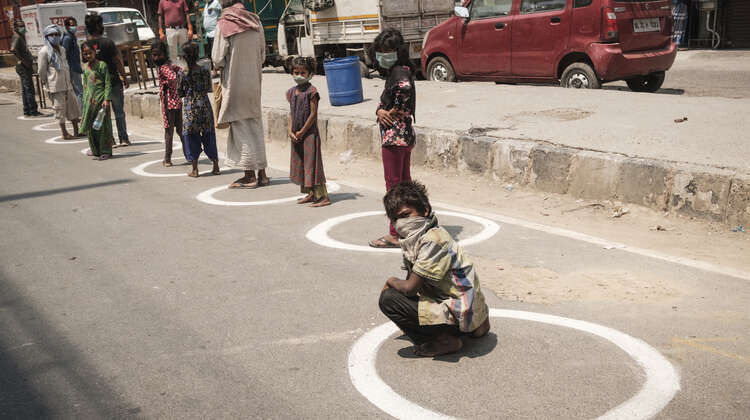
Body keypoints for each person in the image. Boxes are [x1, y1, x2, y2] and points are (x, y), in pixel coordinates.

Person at [378, 181, 491, 357]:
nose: (401, 224)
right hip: (471, 307)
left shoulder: (432, 240)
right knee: (404, 293)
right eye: (395, 220)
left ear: (425, 210)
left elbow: (410, 288)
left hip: (460, 308)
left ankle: (446, 340)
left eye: (406, 215)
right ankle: (474, 325)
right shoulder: (421, 236)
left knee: (389, 299)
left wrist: (391, 281)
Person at [368, 29, 417, 248]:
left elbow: (404, 91)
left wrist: (393, 110)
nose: (383, 55)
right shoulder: (401, 70)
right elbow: (385, 101)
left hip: (394, 137)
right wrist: (380, 110)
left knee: (394, 188)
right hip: (405, 136)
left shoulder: (399, 73)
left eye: (387, 51)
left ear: (398, 51)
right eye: (381, 51)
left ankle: (395, 234)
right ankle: (411, 227)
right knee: (404, 185)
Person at [212, 0, 269, 189]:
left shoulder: (224, 23)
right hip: (253, 82)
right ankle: (262, 174)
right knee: (255, 124)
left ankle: (249, 175)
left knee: (240, 126)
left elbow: (218, 57)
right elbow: (262, 55)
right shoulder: (256, 21)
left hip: (235, 83)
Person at [287, 56, 330, 207]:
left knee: (313, 164)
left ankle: (323, 196)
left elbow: (313, 114)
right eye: (296, 72)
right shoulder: (291, 92)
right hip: (296, 134)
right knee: (302, 163)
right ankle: (311, 194)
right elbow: (291, 113)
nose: (299, 75)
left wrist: (302, 131)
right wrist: (290, 130)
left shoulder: (312, 92)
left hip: (309, 134)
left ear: (310, 74)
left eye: (303, 73)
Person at [85, 13, 131, 147]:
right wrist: (124, 77)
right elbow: (117, 61)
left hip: (97, 85)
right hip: (113, 81)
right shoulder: (108, 42)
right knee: (119, 112)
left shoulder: (85, 45)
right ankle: (123, 138)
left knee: (103, 113)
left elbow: (86, 67)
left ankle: (110, 139)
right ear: (99, 26)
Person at [178, 43, 220, 177]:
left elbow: (180, 92)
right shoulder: (204, 70)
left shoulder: (182, 73)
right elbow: (208, 87)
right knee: (208, 135)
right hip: (204, 106)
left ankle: (195, 169)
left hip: (190, 108)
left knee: (191, 137)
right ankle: (216, 166)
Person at [38, 25, 81, 140]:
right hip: (55, 85)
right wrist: (46, 82)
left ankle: (77, 131)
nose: (55, 37)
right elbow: (42, 70)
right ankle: (64, 133)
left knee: (73, 108)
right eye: (51, 35)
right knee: (59, 110)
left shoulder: (62, 49)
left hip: (67, 84)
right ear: (47, 37)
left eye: (57, 34)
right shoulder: (44, 52)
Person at [151, 40, 186, 167]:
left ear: (164, 54)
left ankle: (167, 158)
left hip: (168, 103)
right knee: (180, 130)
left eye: (158, 55)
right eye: (154, 55)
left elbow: (172, 77)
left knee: (168, 131)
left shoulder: (163, 67)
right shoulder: (170, 65)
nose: (156, 58)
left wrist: (167, 84)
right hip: (176, 101)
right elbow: (180, 71)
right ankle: (188, 154)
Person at [79, 40, 113, 160]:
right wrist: (84, 101)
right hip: (89, 102)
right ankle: (95, 150)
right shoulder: (85, 67)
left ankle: (106, 150)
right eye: (85, 54)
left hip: (101, 101)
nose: (88, 56)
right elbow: (85, 85)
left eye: (90, 53)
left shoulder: (102, 65)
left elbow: (107, 83)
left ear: (95, 52)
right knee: (91, 127)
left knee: (103, 126)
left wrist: (107, 99)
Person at [10, 19, 41, 117]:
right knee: (29, 88)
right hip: (23, 66)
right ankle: (33, 110)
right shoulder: (17, 37)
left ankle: (27, 110)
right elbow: (13, 49)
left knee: (25, 88)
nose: (22, 28)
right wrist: (24, 61)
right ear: (16, 28)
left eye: (23, 25)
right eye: (20, 26)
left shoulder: (20, 36)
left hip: (24, 65)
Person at [158, 0, 194, 65]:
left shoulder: (182, 1)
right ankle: (175, 71)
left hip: (182, 29)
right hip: (170, 30)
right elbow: (160, 16)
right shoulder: (162, 2)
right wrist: (160, 30)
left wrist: (190, 27)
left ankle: (185, 70)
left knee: (185, 51)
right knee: (172, 54)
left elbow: (187, 14)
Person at [62, 17, 83, 110]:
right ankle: (82, 113)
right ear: (66, 27)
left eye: (75, 24)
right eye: (72, 25)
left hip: (76, 67)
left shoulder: (72, 37)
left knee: (77, 91)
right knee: (80, 92)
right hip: (72, 68)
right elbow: (64, 54)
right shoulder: (67, 38)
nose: (74, 27)